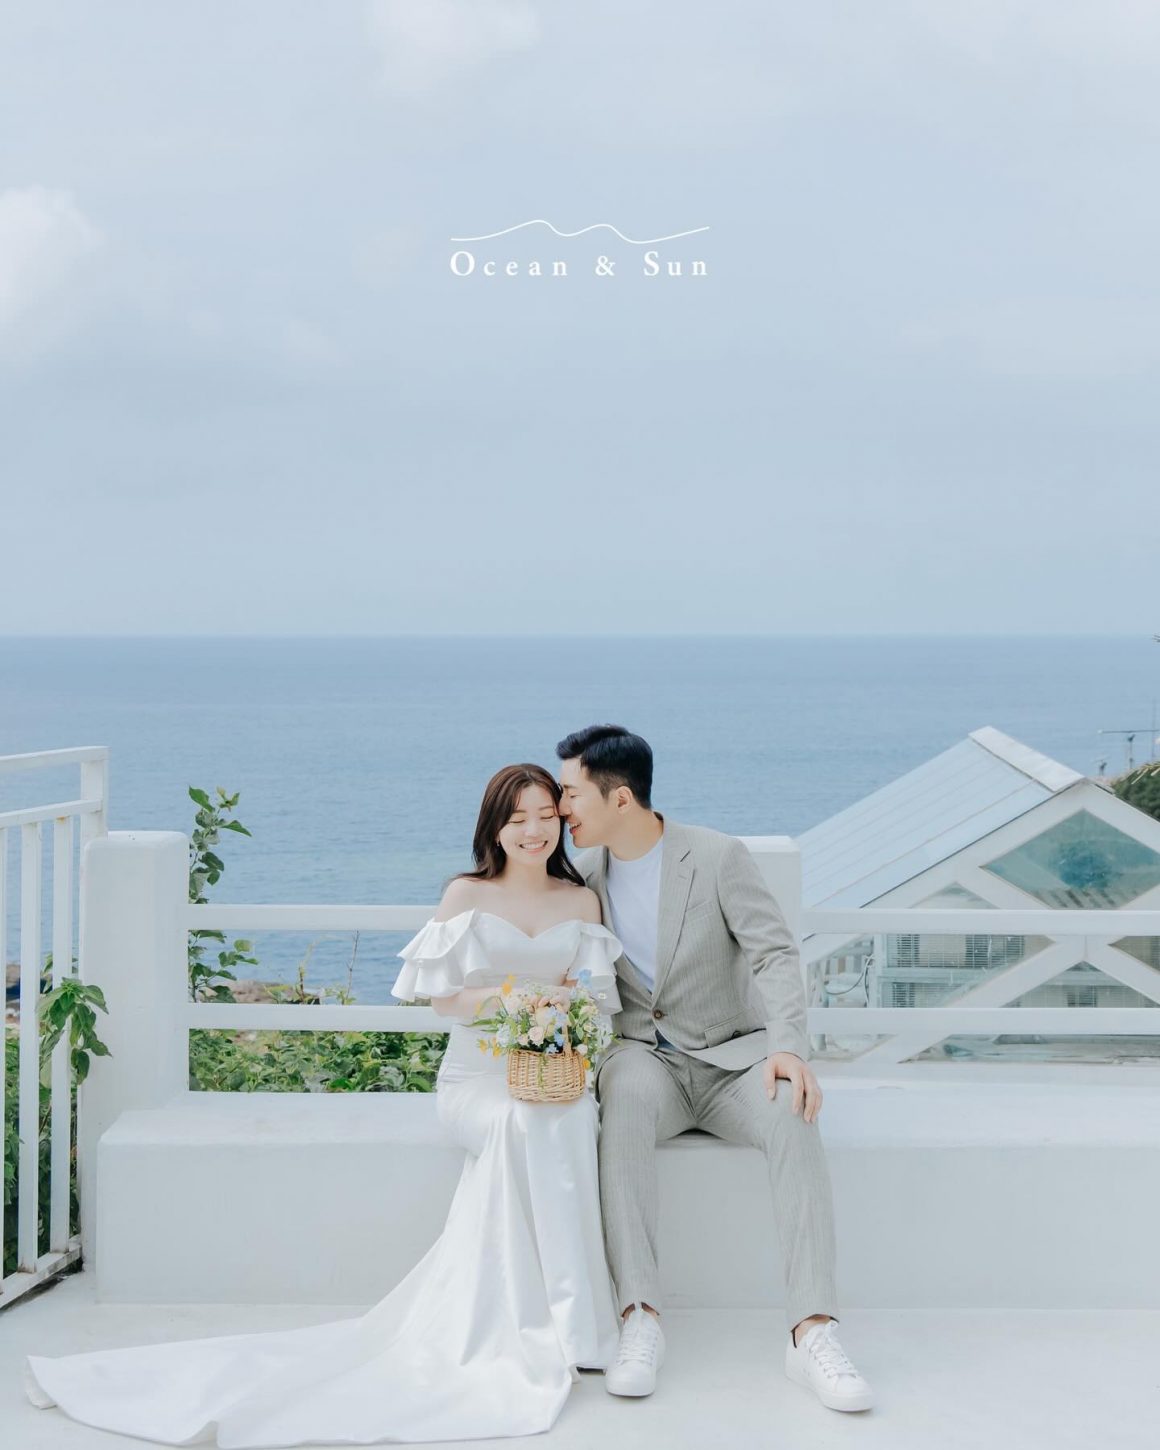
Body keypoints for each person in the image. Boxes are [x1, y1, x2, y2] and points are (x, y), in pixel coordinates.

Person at [23, 763, 623, 1446]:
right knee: (521, 1121)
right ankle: (527, 1323)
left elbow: (594, 997)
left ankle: (579, 1324)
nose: (534, 830)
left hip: (548, 1075)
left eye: (546, 815)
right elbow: (442, 1001)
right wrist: (516, 997)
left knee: (570, 1115)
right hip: (476, 1082)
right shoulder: (467, 894)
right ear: (494, 827)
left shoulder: (581, 903)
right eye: (518, 819)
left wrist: (565, 1012)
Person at [556, 724, 874, 1412]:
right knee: (623, 1102)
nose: (561, 807)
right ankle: (639, 1317)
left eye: (571, 792)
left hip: (735, 1059)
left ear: (620, 797)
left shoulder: (716, 856)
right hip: (646, 1059)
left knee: (794, 1111)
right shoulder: (582, 879)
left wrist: (788, 1046)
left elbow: (774, 953)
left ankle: (812, 1332)